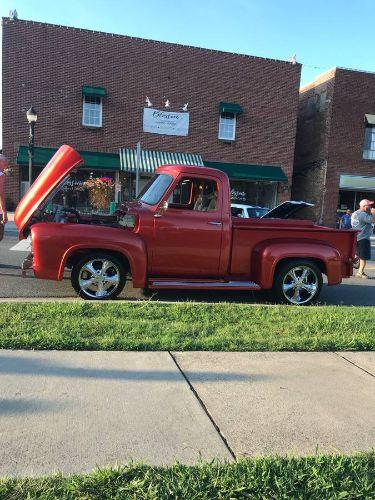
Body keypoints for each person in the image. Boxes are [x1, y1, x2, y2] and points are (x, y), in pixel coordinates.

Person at [351, 199, 375, 279]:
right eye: (369, 205)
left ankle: (356, 263)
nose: (371, 207)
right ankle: (360, 272)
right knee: (363, 257)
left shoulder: (355, 213)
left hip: (356, 237)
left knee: (359, 254)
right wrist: (373, 213)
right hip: (363, 238)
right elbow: (373, 220)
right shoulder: (363, 214)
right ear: (364, 206)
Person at [0, 152, 8, 230]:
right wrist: (4, 212)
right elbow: (1, 193)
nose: (6, 166)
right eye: (5, 162)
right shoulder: (1, 175)